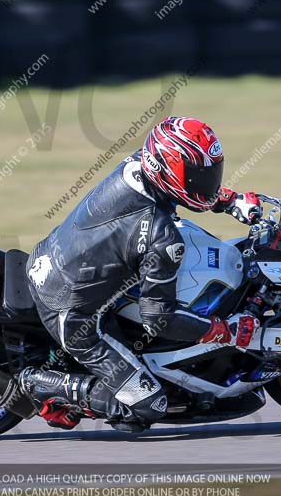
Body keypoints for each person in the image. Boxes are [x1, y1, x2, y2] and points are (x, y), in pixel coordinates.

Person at [18, 116, 262, 433]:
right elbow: (159, 319)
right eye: (200, 176)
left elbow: (182, 187)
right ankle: (39, 384)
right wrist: (224, 331)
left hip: (50, 259)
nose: (208, 183)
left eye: (212, 173)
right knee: (148, 405)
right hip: (73, 316)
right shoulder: (161, 239)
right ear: (169, 171)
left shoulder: (138, 165)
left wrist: (227, 199)